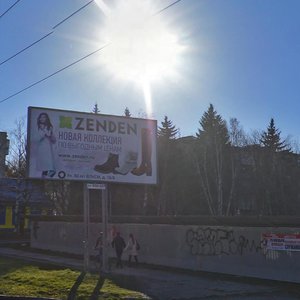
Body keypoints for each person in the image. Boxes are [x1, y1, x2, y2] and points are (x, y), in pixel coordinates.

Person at [36, 112, 56, 178]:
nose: (42, 119)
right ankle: (43, 177)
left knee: (49, 167)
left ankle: (47, 176)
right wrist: (45, 132)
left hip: (48, 149)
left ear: (47, 118)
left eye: (44, 117)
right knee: (43, 167)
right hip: (41, 149)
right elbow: (38, 138)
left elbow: (53, 140)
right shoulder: (38, 127)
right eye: (41, 117)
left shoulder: (50, 127)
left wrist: (50, 135)